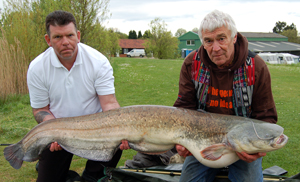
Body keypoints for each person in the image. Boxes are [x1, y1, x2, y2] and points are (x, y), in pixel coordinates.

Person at [173, 10, 277, 182]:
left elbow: (266, 118)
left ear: (234, 38)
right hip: (202, 140)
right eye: (208, 41)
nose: (216, 48)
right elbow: (184, 111)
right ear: (203, 42)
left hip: (243, 145)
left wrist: (255, 150)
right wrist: (182, 142)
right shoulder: (192, 64)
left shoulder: (256, 67)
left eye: (221, 38)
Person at [27, 10, 130, 182]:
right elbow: (40, 110)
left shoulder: (98, 62)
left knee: (114, 146)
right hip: (58, 132)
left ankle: (92, 176)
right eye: (58, 37)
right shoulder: (37, 68)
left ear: (78, 36)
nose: (65, 42)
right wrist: (53, 130)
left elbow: (109, 104)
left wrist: (120, 128)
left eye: (69, 35)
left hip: (97, 130)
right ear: (48, 40)